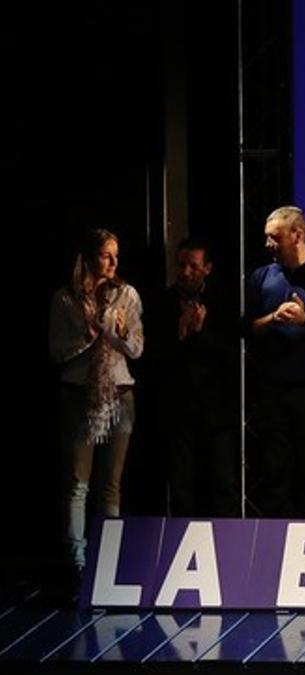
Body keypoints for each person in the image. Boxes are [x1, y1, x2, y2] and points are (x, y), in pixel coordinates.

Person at [49, 228, 144, 571]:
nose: (113, 261)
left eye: (116, 255)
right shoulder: (65, 299)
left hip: (119, 394)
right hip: (79, 395)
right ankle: (77, 562)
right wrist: (90, 335)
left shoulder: (127, 295)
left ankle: (108, 562)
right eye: (106, 255)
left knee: (112, 484)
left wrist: (118, 332)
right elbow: (57, 352)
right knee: (78, 483)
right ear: (89, 259)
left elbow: (136, 348)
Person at [246, 206, 305, 517]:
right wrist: (273, 317)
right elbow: (246, 327)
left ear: (297, 235)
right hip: (271, 388)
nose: (268, 244)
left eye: (274, 237)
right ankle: (276, 544)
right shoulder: (262, 276)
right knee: (274, 469)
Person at [156, 238, 239, 517]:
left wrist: (201, 332)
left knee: (223, 483)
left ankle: (228, 550)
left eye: (194, 265)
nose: (186, 271)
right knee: (180, 486)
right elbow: (153, 356)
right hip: (178, 410)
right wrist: (180, 333)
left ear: (208, 269)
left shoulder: (224, 302)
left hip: (217, 412)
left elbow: (232, 355)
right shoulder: (163, 303)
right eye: (182, 265)